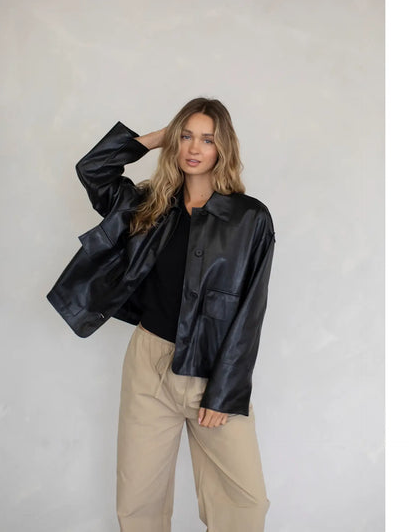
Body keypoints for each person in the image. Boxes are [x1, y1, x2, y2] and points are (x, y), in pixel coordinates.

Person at [46, 97, 276, 532]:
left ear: (223, 148)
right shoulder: (149, 205)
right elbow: (93, 170)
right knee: (139, 501)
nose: (194, 148)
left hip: (213, 368)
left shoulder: (250, 219)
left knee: (243, 502)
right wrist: (155, 138)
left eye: (207, 139)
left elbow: (251, 310)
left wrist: (225, 391)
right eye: (186, 136)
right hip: (148, 364)